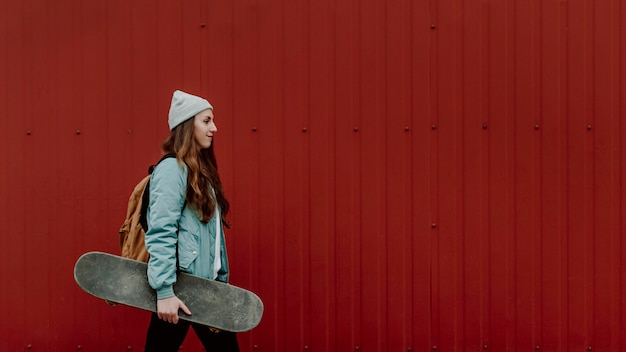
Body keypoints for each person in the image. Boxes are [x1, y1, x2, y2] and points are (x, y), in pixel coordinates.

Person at [143, 90, 239, 352]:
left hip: (206, 290)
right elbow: (161, 231)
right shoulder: (172, 170)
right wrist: (164, 292)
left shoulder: (201, 173)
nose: (214, 128)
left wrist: (220, 283)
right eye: (206, 121)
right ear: (187, 125)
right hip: (180, 288)